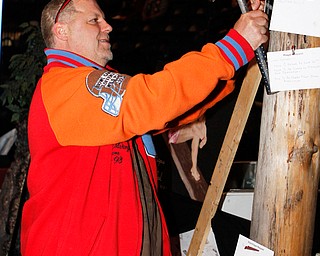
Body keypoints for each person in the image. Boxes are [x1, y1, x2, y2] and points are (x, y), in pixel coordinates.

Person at [20, 0, 268, 255]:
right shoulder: (65, 85)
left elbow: (164, 110)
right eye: (94, 20)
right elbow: (151, 100)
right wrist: (235, 47)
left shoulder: (91, 88)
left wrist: (240, 56)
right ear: (62, 31)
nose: (108, 26)